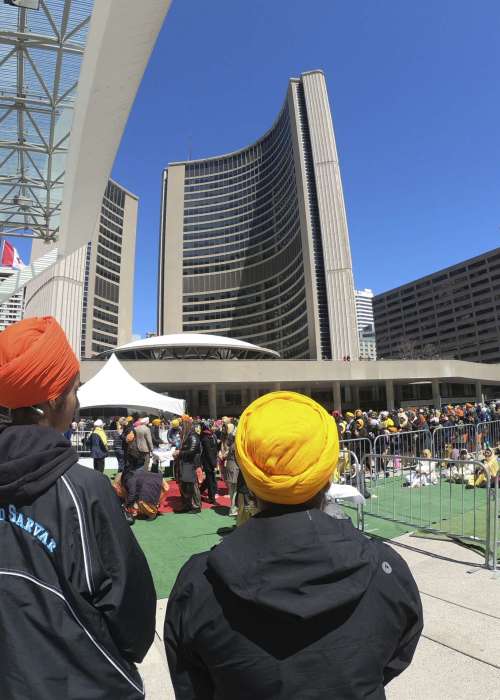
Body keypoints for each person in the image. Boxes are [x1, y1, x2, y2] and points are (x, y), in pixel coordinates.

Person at [165, 391, 422, 699]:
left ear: (248, 474)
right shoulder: (387, 570)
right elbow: (394, 657)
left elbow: (192, 684)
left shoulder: (198, 583)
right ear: (328, 474)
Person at [0, 316, 156, 699]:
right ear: (54, 399)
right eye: (74, 389)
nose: (78, 401)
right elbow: (132, 614)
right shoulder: (83, 488)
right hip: (85, 682)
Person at [174, 415, 202, 514]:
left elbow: (192, 450)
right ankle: (187, 505)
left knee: (192, 486)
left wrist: (179, 453)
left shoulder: (193, 436)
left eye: (182, 425)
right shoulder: (186, 436)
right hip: (184, 464)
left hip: (191, 464)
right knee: (184, 485)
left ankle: (196, 506)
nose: (180, 427)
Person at [200, 421, 218, 504]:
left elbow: (213, 449)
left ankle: (200, 490)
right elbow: (208, 452)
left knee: (209, 479)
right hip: (208, 462)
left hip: (212, 460)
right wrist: (213, 463)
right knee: (211, 479)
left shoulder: (211, 435)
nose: (214, 427)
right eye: (212, 426)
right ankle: (212, 498)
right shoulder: (205, 438)